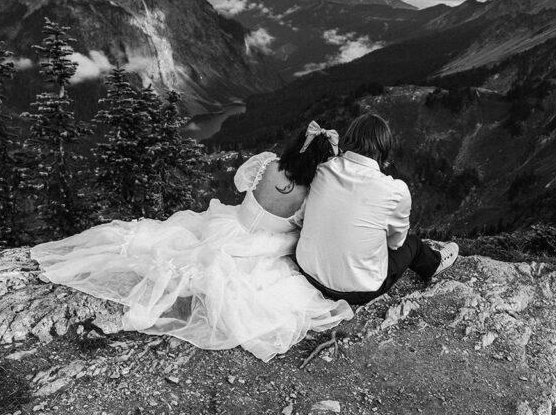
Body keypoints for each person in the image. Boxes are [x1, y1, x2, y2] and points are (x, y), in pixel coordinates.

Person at [30, 122, 353, 362]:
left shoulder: (265, 164)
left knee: (170, 247)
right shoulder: (313, 195)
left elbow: (241, 185)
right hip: (263, 245)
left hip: (227, 228)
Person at [296, 113, 459, 305]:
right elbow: (396, 243)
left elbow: (304, 215)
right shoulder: (394, 189)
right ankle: (434, 264)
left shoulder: (323, 169)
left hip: (307, 271)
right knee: (412, 244)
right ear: (383, 147)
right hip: (357, 290)